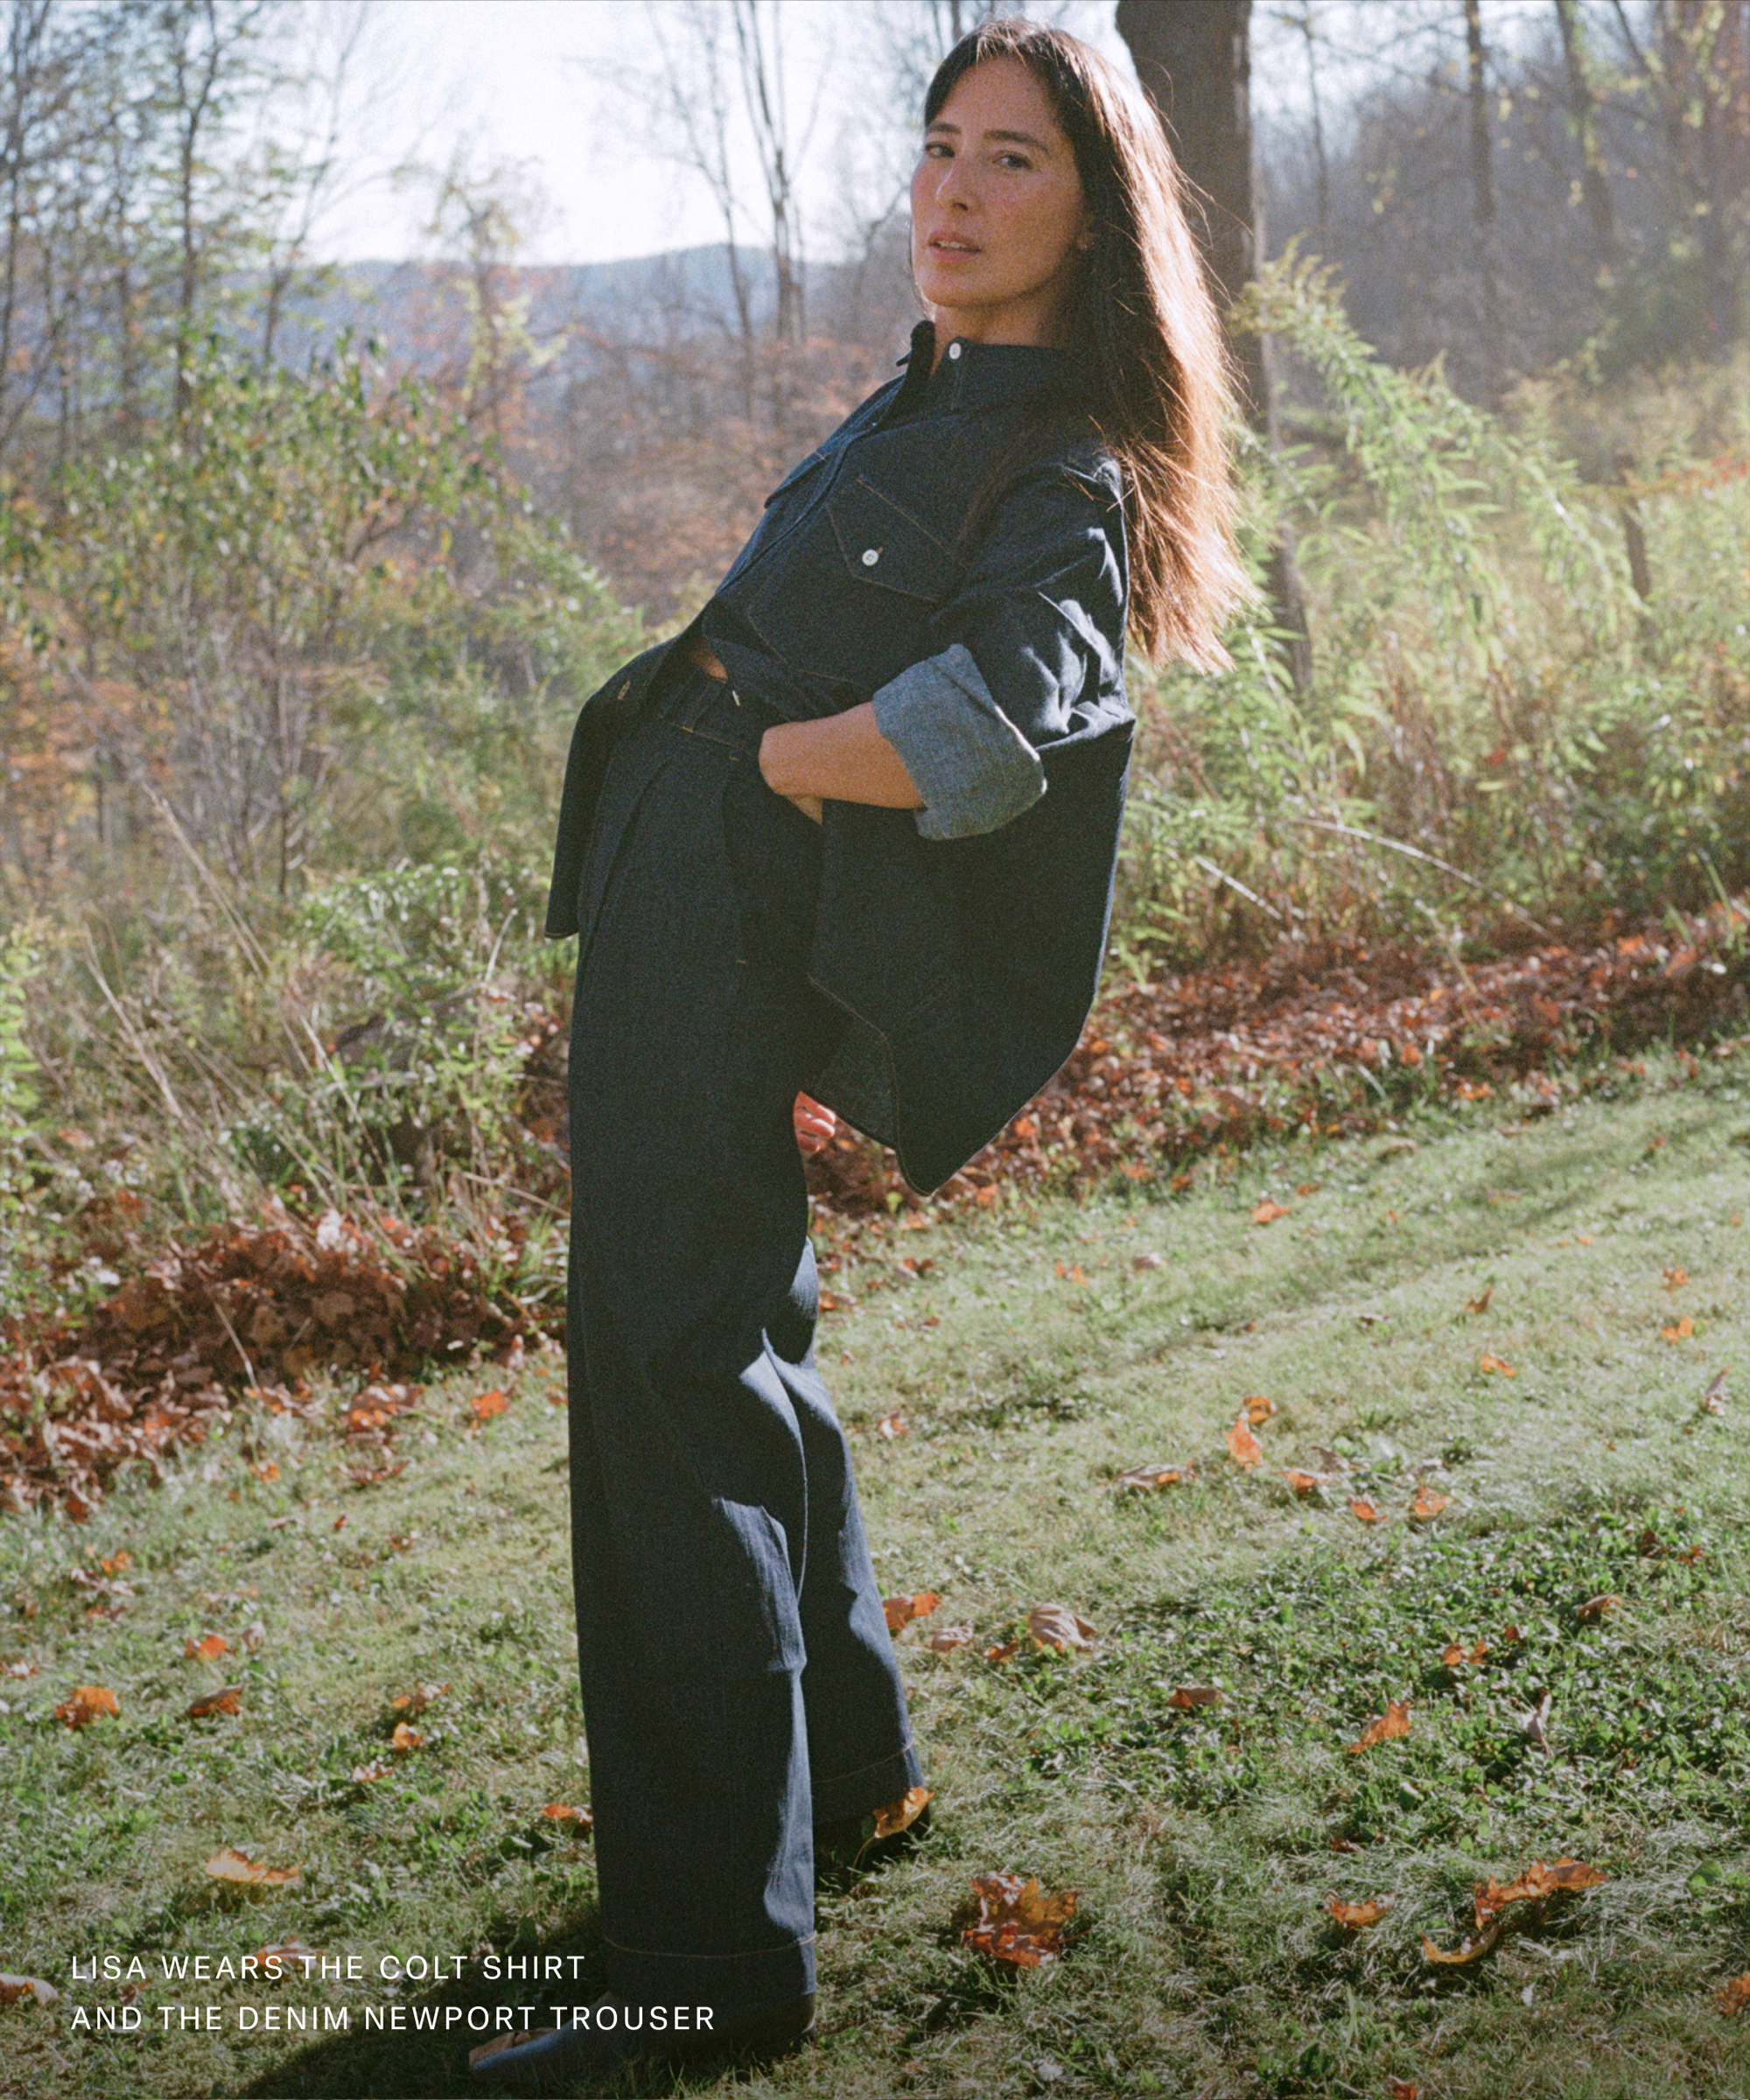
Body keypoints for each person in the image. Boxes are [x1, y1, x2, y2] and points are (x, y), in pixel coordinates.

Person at [470, 17, 1246, 2091]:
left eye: (1009, 161)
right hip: (675, 872)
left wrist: (793, 769)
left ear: (1095, 220)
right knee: (740, 1326)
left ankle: (710, 1956)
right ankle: (855, 1774)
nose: (950, 191)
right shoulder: (928, 398)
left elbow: (1015, 713)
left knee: (668, 1371)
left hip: (726, 878)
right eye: (938, 147)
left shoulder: (1060, 455)